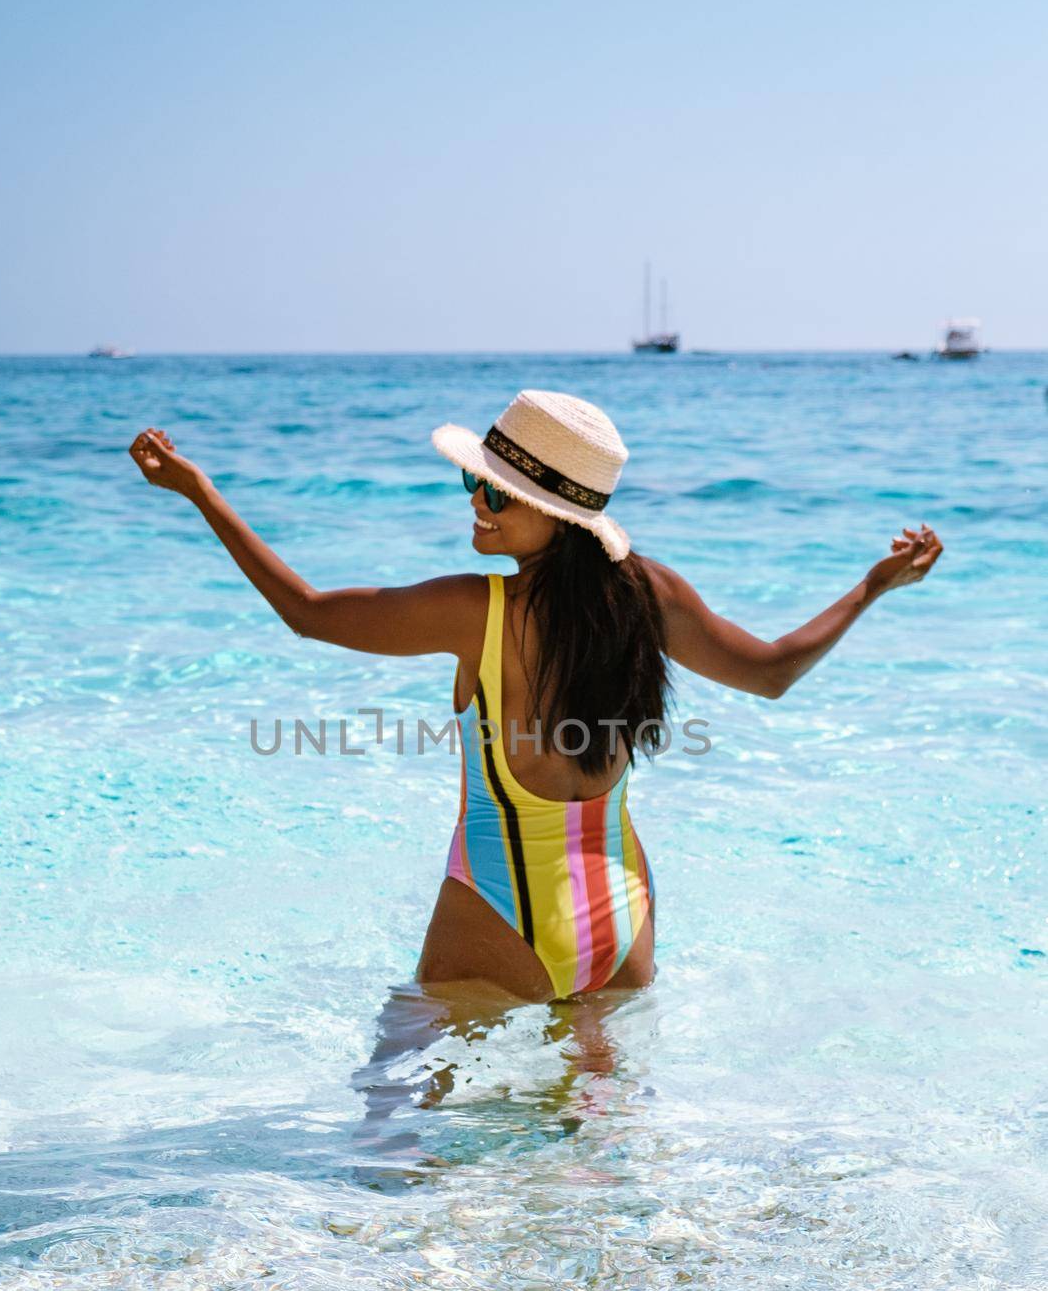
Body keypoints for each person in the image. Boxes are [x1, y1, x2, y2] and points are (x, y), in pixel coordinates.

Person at [128, 388, 942, 1005]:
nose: (473, 504)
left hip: (502, 903)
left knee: (401, 1150)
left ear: (556, 515)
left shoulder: (476, 607)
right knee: (595, 1160)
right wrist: (870, 587)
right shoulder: (647, 592)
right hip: (622, 910)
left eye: (493, 493)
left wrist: (201, 494)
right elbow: (771, 672)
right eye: (470, 483)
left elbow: (306, 615)